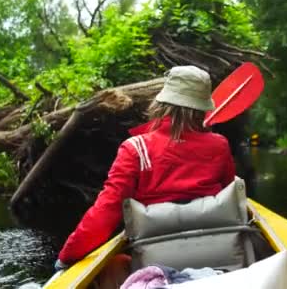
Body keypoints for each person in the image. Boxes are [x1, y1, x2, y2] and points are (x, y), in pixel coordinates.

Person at [55, 65, 236, 269]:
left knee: (116, 266)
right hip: (215, 254)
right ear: (203, 109)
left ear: (161, 103)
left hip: (155, 259)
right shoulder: (219, 145)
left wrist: (67, 255)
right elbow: (229, 195)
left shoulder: (135, 149)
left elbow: (107, 210)